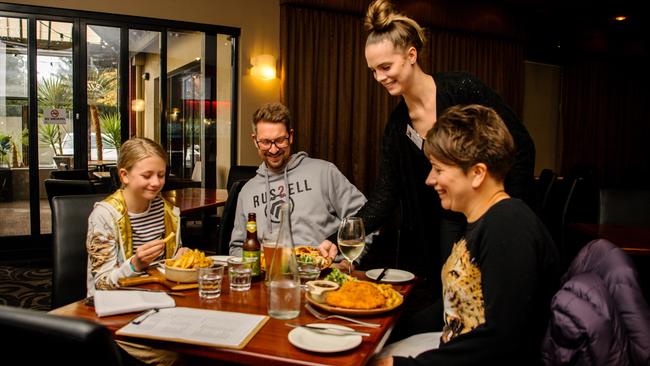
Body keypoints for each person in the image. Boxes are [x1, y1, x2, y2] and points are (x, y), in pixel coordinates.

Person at [319, 0, 536, 294]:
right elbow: (384, 198)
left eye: (385, 66)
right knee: (448, 302)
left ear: (411, 55)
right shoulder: (397, 127)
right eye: (373, 71)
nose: (380, 78)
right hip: (440, 229)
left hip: (490, 219)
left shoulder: (462, 88)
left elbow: (521, 146)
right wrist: (337, 237)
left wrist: (506, 211)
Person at [371, 104, 559, 365]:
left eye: (438, 169)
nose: (429, 180)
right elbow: (452, 306)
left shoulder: (509, 226)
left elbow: (503, 340)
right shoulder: (483, 221)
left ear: (477, 173)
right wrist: (384, 330)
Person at [229, 102, 369, 267]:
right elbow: (237, 247)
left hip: (324, 277)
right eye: (265, 142)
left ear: (291, 136)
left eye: (280, 140)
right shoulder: (247, 192)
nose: (273, 150)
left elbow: (364, 221)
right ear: (255, 140)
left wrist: (348, 263)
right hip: (270, 279)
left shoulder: (324, 173)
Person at [86, 137, 189, 295]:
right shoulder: (105, 216)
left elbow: (166, 264)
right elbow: (101, 284)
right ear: (124, 175)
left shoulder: (168, 211)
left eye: (161, 175)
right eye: (147, 176)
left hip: (159, 296)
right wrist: (134, 265)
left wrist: (180, 259)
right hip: (117, 302)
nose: (156, 182)